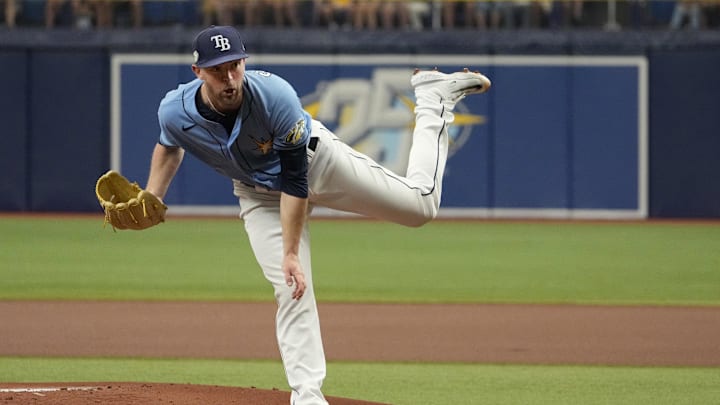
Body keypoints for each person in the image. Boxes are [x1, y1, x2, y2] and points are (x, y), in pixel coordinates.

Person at [144, 25, 490, 405]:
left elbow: (295, 181)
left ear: (245, 61)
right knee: (291, 289)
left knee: (420, 207)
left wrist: (291, 253)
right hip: (256, 195)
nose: (228, 78)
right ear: (197, 72)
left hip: (316, 163)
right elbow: (169, 143)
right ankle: (307, 396)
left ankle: (431, 98)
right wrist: (152, 196)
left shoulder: (275, 97)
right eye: (216, 70)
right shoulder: (174, 110)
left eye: (235, 65)